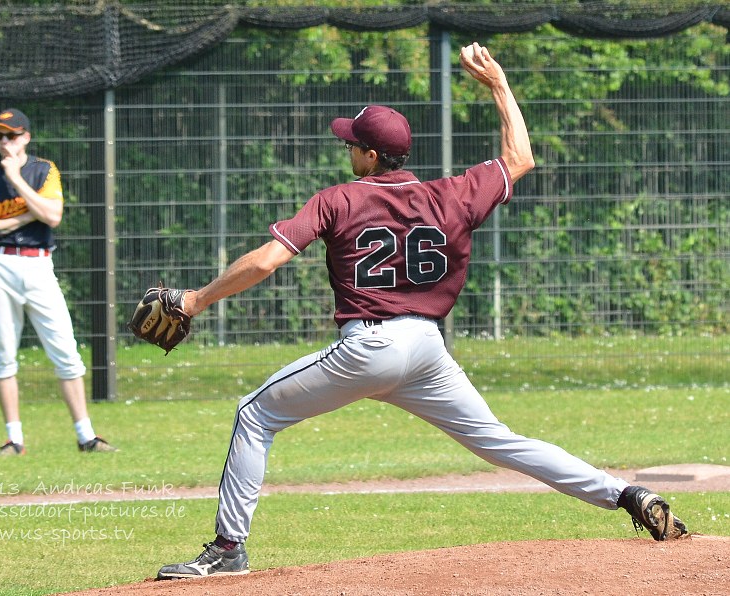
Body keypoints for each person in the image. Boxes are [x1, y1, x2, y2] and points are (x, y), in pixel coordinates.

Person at [154, 43, 689, 580]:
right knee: (499, 441)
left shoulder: (337, 199)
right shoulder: (450, 196)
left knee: (255, 414)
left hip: (369, 346)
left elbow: (267, 261)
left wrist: (195, 300)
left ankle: (228, 551)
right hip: (429, 350)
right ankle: (625, 494)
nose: (349, 152)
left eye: (353, 145)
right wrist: (499, 85)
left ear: (368, 156)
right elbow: (521, 159)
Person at [0, 108, 116, 455]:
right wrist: (22, 219)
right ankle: (14, 439)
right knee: (3, 355)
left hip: (38, 265)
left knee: (66, 351)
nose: (5, 142)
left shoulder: (43, 170)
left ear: (26, 137)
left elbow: (53, 216)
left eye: (12, 135)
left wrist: (16, 179)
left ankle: (86, 436)